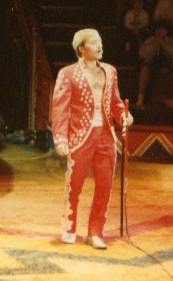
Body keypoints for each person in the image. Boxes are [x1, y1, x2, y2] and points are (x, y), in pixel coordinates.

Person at [51, 28, 133, 250]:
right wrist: (60, 138)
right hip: (80, 135)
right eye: (94, 43)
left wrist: (123, 115)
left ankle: (95, 232)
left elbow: (115, 101)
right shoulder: (68, 74)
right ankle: (69, 227)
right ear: (81, 49)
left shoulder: (110, 71)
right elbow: (60, 108)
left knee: (105, 184)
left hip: (106, 134)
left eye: (100, 42)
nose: (100, 46)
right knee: (75, 184)